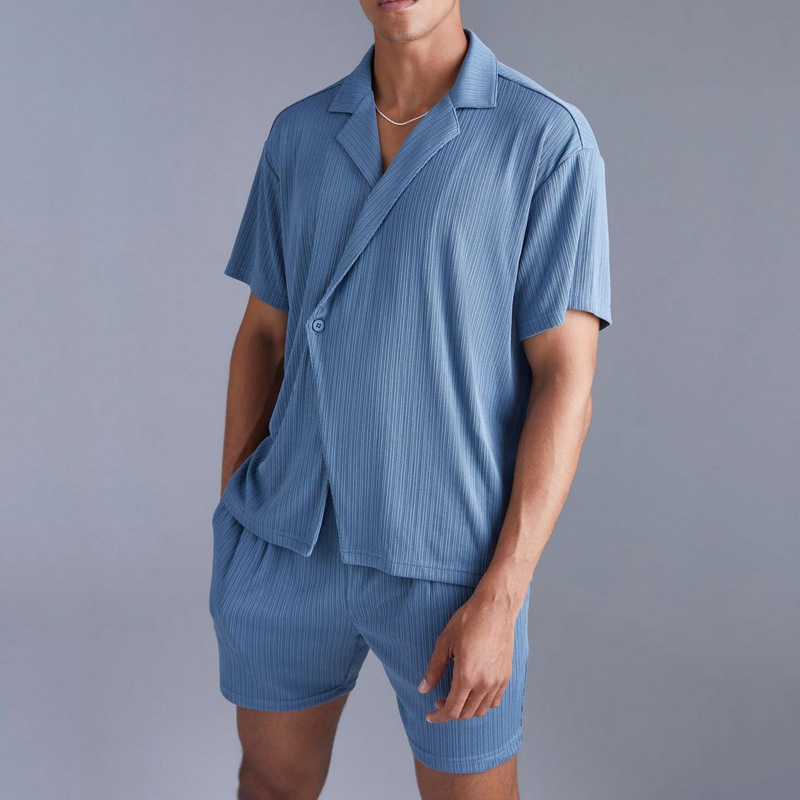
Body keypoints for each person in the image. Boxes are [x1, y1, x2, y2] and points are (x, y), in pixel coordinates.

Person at [210, 1, 611, 798]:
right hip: (288, 540)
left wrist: (502, 592)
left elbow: (567, 378)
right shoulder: (299, 135)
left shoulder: (544, 138)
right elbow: (263, 334)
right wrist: (235, 519)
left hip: (450, 559)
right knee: (270, 783)